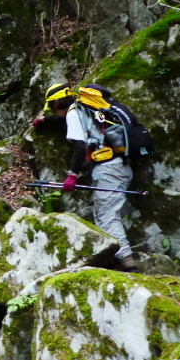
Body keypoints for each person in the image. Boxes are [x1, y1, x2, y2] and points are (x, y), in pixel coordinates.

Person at [42, 83, 138, 273]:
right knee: (103, 215)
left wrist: (72, 175)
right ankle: (113, 260)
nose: (54, 111)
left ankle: (129, 265)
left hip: (108, 170)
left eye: (53, 106)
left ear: (58, 102)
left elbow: (80, 145)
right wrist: (45, 120)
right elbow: (67, 120)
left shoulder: (74, 113)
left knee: (108, 217)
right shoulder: (85, 108)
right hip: (120, 165)